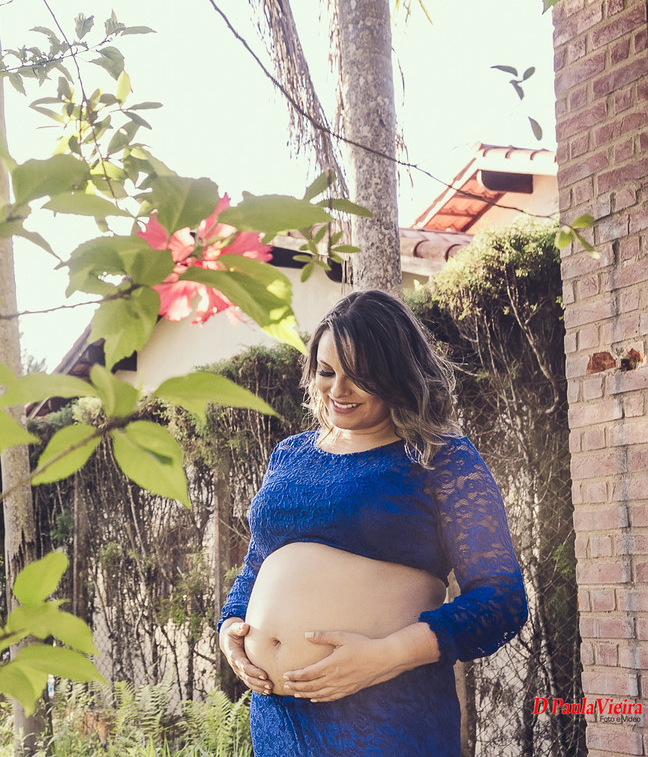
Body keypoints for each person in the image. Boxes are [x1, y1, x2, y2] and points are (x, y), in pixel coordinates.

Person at [217, 289, 527, 756]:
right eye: (326, 372)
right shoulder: (290, 454)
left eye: (359, 377)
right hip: (280, 721)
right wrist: (232, 628)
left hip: (387, 714)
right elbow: (257, 564)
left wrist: (387, 656)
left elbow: (502, 599)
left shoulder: (443, 460)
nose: (337, 391)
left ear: (399, 374)